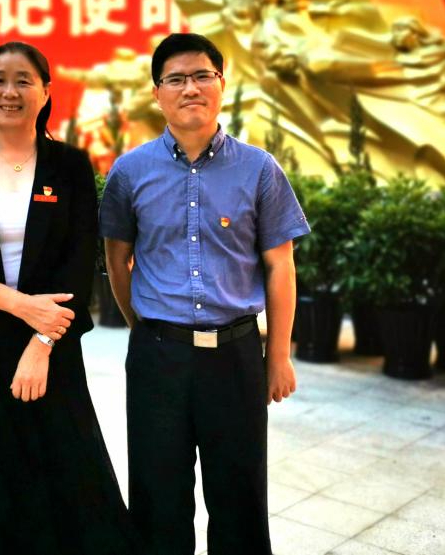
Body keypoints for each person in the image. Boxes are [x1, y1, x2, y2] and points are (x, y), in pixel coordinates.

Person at [100, 32, 309, 555]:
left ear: (221, 83)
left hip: (236, 356)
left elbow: (280, 266)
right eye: (175, 79)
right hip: (158, 357)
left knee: (239, 498)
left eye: (201, 76)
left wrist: (278, 356)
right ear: (157, 93)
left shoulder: (259, 169)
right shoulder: (129, 172)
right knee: (158, 498)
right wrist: (144, 328)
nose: (189, 88)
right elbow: (116, 259)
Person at [0, 41, 132, 554]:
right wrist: (22, 306)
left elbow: (78, 262)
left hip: (51, 341)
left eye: (23, 80)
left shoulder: (70, 166)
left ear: (45, 91)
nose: (10, 91)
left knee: (69, 473)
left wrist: (41, 342)